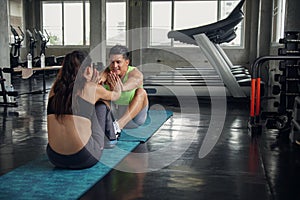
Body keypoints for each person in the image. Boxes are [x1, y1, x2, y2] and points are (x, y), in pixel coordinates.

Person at [46, 50, 122, 169]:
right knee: (101, 105)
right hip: (83, 157)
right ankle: (111, 138)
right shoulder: (92, 88)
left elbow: (76, 94)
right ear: (87, 69)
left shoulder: (55, 88)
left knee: (84, 108)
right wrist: (117, 86)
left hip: (55, 157)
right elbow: (116, 96)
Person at [104, 45, 149, 131]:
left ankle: (118, 126)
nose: (115, 65)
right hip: (114, 116)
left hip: (134, 119)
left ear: (127, 62)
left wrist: (121, 88)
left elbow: (135, 81)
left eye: (118, 62)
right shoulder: (107, 73)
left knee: (141, 92)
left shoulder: (134, 72)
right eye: (112, 62)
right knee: (100, 93)